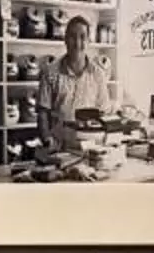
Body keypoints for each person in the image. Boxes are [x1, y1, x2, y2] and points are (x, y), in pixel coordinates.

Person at [34, 14, 115, 176]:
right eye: (72, 37)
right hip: (59, 150)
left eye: (83, 37)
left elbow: (103, 113)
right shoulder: (50, 73)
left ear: (89, 41)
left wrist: (105, 145)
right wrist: (47, 140)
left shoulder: (98, 74)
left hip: (90, 150)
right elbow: (42, 113)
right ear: (65, 39)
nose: (78, 43)